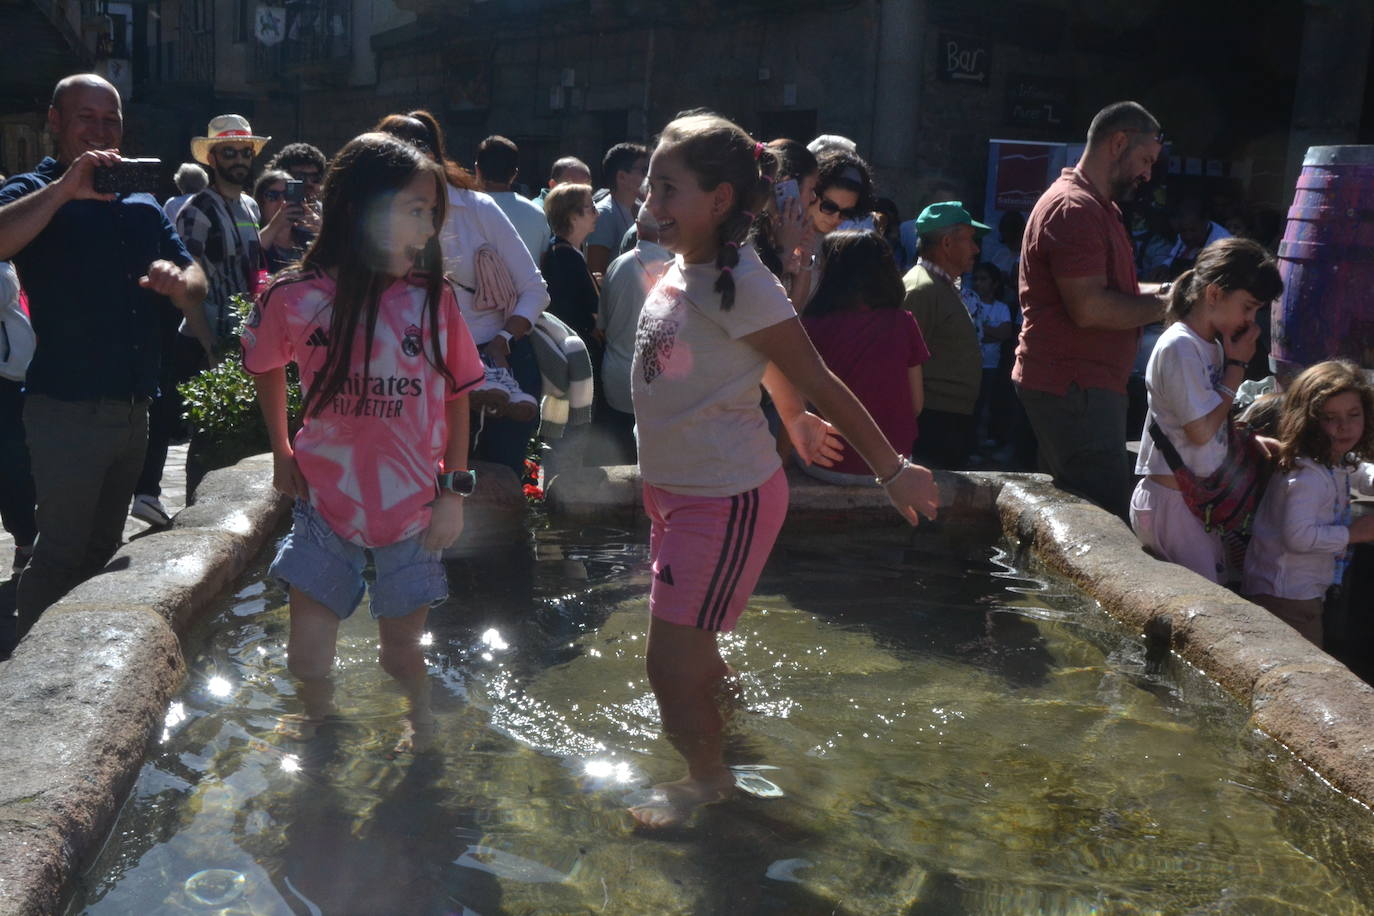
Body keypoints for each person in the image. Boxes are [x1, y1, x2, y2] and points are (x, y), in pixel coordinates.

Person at [629, 112, 939, 828]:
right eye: (651, 184)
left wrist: (893, 472)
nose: (652, 200)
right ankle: (736, 748)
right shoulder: (693, 268)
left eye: (668, 188)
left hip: (723, 499)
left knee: (668, 666)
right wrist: (793, 419)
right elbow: (763, 361)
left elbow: (820, 375)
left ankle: (708, 782)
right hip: (678, 493)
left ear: (721, 201)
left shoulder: (745, 280)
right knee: (692, 655)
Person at [243, 132, 484, 753]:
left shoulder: (433, 302)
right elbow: (267, 364)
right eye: (413, 210)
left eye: (432, 212)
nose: (427, 228)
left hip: (413, 504)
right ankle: (317, 719)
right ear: (357, 209)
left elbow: (457, 395)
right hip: (326, 499)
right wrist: (280, 449)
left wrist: (454, 490)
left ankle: (419, 718)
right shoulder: (296, 296)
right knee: (307, 657)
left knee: (402, 652)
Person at [0, 73, 209, 632]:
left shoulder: (142, 200)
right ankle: (32, 671)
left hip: (134, 407)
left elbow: (196, 278)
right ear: (55, 122)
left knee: (101, 552)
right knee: (59, 553)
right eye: (85, 117)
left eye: (109, 118)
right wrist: (68, 188)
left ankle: (80, 651)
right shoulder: (34, 190)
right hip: (65, 405)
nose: (99, 129)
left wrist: (179, 282)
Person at [1014, 101, 1168, 520]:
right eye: (1145, 159)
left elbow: (1114, 291)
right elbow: (1089, 307)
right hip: (1074, 385)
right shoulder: (1075, 209)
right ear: (1118, 142)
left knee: (1072, 512)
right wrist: (1169, 305)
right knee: (1099, 514)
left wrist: (1172, 292)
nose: (1148, 174)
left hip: (1080, 386)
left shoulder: (1099, 207)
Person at [376, 111, 547, 476]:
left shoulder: (476, 207)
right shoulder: (371, 220)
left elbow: (534, 289)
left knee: (500, 486)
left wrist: (502, 339)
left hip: (496, 358)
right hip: (416, 370)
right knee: (426, 486)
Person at [136, 115, 266, 521]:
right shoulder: (196, 211)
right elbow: (186, 283)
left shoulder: (250, 204)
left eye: (245, 151)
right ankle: (171, 500)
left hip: (240, 330)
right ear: (212, 158)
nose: (239, 159)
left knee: (222, 426)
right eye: (230, 151)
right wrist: (209, 343)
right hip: (201, 332)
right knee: (191, 423)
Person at [1130, 238, 1280, 584]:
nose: (1251, 320)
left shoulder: (1208, 345)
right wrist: (1237, 367)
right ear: (1214, 294)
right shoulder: (1181, 346)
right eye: (1248, 307)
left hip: (1190, 504)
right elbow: (1200, 431)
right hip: (1172, 504)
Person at [1242, 361, 1374, 647]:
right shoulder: (1307, 477)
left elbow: (1360, 472)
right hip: (1286, 597)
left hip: (1299, 590)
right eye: (1331, 418)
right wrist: (1356, 533)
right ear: (1308, 420)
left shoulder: (1329, 459)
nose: (1344, 426)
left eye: (1354, 414)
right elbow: (1299, 537)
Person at [800, 230, 929, 484]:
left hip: (826, 465)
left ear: (830, 276)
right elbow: (916, 404)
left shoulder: (810, 326)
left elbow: (798, 405)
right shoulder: (903, 323)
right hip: (894, 467)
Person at [902, 201, 987, 469]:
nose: (976, 249)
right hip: (933, 420)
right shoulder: (921, 288)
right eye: (971, 240)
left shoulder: (939, 285)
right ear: (947, 243)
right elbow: (902, 361)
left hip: (947, 417)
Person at [596, 205, 671, 464]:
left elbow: (602, 325)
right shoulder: (677, 269)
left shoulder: (616, 265)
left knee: (620, 460)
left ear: (637, 227)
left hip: (617, 377)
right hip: (658, 383)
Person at [0, 261, 36, 574]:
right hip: (7, 377)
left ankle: (26, 540)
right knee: (13, 463)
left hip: (12, 377)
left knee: (16, 462)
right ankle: (26, 540)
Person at [752, 138, 817, 308]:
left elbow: (793, 309)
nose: (813, 198)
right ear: (787, 185)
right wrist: (784, 250)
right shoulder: (747, 231)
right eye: (811, 189)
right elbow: (761, 305)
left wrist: (805, 257)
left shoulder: (779, 228)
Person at [474, 135, 550, 263]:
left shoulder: (462, 209)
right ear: (515, 173)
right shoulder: (536, 213)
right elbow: (543, 261)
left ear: (477, 169)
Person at [964, 261, 1015, 449]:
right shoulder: (968, 303)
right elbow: (968, 332)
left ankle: (987, 442)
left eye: (983, 279)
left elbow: (1005, 333)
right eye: (976, 279)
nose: (978, 283)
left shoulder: (1002, 308)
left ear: (994, 283)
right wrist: (989, 331)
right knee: (973, 407)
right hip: (972, 364)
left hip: (992, 365)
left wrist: (980, 329)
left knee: (990, 405)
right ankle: (972, 445)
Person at [542, 182, 601, 341]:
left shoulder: (561, 251)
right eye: (592, 207)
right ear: (573, 216)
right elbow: (595, 314)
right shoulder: (567, 257)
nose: (597, 214)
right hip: (579, 346)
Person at [587, 142, 648, 276]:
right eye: (644, 170)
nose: (649, 176)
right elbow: (596, 274)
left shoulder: (642, 209)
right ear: (622, 177)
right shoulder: (603, 215)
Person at [254, 168, 315, 274]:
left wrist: (322, 229)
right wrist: (276, 225)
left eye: (288, 194)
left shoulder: (309, 239)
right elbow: (251, 256)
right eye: (273, 195)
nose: (283, 202)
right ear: (260, 203)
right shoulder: (254, 237)